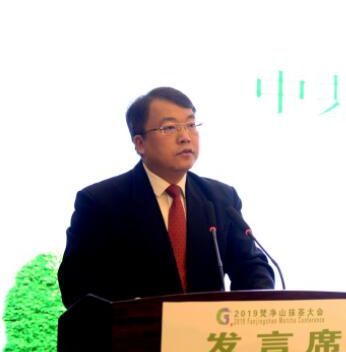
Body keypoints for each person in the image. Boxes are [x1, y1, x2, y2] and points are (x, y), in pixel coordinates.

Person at [58, 87, 274, 308]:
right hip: (137, 329)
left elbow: (250, 266)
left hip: (208, 328)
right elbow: (76, 286)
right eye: (170, 128)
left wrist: (257, 303)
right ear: (140, 143)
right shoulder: (100, 203)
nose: (185, 137)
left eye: (191, 125)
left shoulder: (221, 198)